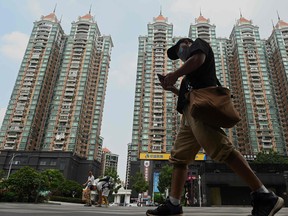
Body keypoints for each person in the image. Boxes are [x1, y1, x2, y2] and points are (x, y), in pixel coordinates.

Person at [146, 38, 284, 216]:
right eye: (177, 55)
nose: (180, 56)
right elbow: (186, 95)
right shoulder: (187, 77)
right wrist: (172, 87)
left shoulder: (199, 46)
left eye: (179, 50)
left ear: (187, 43)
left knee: (222, 149)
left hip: (202, 110)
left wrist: (175, 74)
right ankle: (173, 204)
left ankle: (265, 196)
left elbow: (198, 59)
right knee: (179, 158)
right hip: (188, 118)